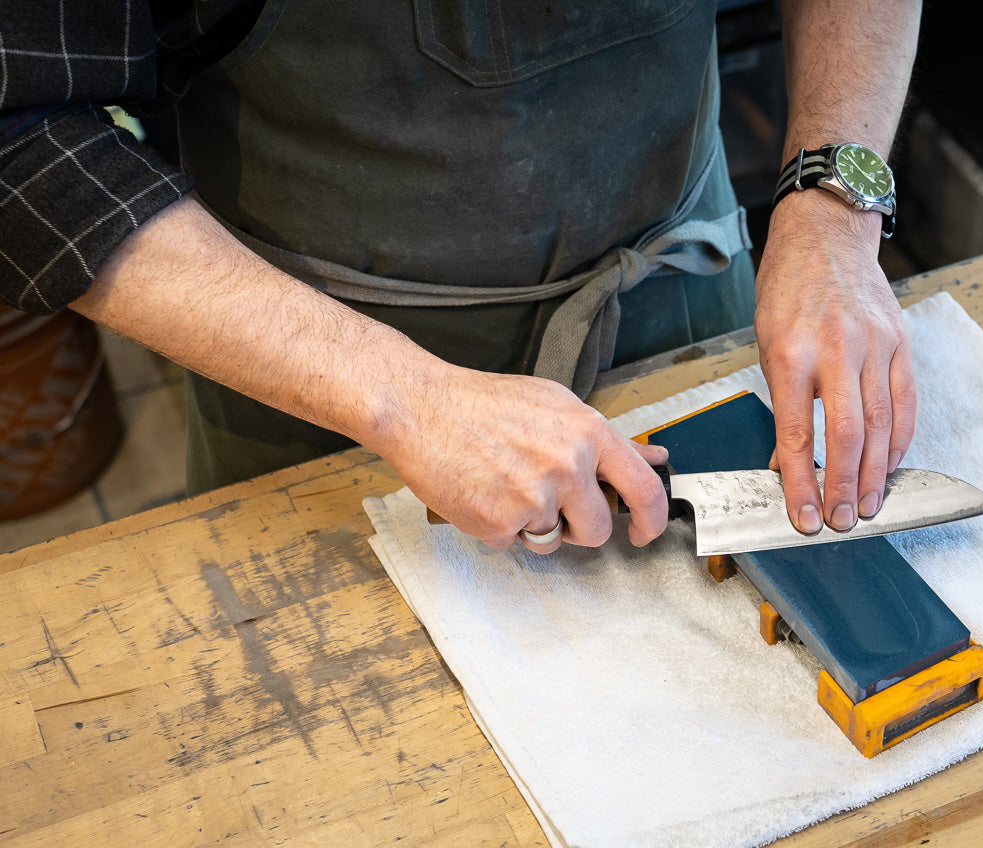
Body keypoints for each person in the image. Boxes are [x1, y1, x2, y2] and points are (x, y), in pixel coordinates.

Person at [0, 0, 919, 555]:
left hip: (688, 295)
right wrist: (407, 399)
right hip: (331, 400)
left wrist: (832, 211)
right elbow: (23, 138)